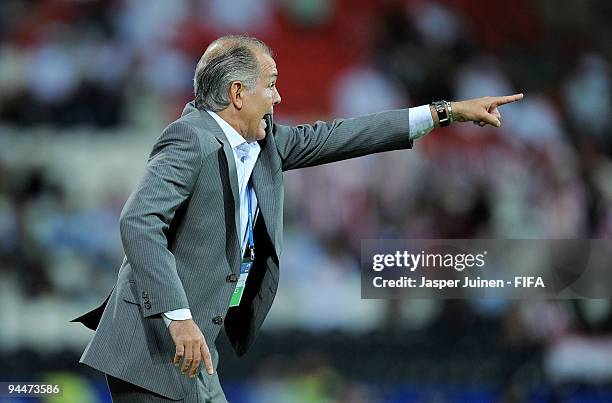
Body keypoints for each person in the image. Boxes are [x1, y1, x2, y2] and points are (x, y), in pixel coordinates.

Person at [72, 35, 523, 402]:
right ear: (237, 94)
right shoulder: (190, 138)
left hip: (194, 349)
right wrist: (178, 316)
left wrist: (445, 112)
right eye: (270, 84)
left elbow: (344, 135)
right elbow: (138, 221)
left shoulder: (266, 144)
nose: (279, 96)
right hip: (154, 345)